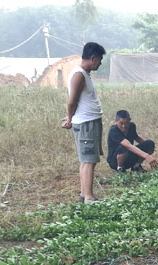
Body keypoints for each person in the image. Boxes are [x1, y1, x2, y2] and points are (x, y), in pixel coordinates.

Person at [61, 42, 105, 203]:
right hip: (86, 123)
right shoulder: (79, 74)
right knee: (88, 160)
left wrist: (71, 116)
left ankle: (83, 193)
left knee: (87, 159)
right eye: (99, 60)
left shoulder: (85, 74)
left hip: (89, 121)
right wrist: (70, 117)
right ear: (93, 58)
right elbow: (72, 101)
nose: (100, 63)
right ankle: (88, 197)